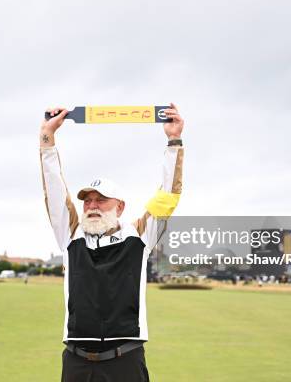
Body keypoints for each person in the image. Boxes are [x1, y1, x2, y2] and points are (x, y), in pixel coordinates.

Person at [39, 104, 184, 381]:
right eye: (88, 201)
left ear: (119, 207)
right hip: (76, 362)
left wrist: (173, 141)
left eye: (101, 200)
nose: (92, 205)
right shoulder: (71, 235)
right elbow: (54, 190)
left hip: (124, 361)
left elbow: (168, 194)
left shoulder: (139, 235)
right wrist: (47, 138)